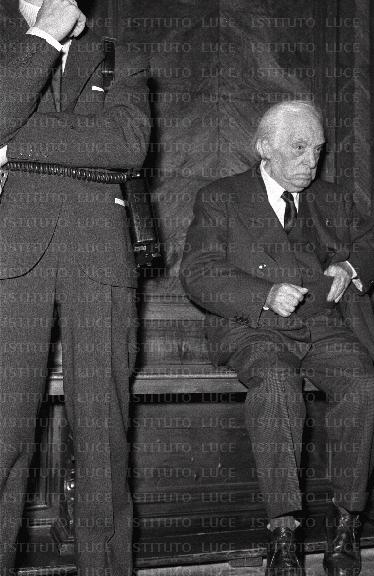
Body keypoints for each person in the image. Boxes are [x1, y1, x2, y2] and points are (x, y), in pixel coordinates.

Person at [180, 100, 374, 576]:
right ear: (265, 148)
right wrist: (263, 294)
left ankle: (346, 521)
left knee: (366, 390)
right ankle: (282, 532)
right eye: (299, 148)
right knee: (276, 386)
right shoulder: (221, 197)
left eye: (317, 150)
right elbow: (197, 272)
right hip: (254, 327)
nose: (310, 161)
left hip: (324, 326)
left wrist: (350, 266)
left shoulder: (333, 199)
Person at [0, 0, 150, 574]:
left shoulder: (119, 56)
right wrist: (44, 35)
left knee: (103, 438)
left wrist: (14, 144)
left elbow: (126, 144)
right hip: (12, 252)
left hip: (100, 254)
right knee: (4, 431)